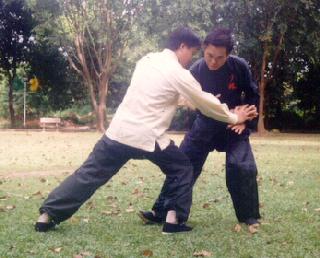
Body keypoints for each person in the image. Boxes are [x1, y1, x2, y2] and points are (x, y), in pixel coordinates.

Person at [35, 27, 258, 235]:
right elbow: (205, 101)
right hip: (149, 138)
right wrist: (235, 116)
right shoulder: (179, 73)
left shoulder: (146, 61)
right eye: (192, 52)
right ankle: (173, 220)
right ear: (181, 47)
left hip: (117, 134)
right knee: (183, 168)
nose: (192, 58)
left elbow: (158, 93)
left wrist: (188, 102)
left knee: (87, 174)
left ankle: (47, 215)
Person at [139, 28, 261, 228]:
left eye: (219, 58)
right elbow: (188, 100)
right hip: (204, 125)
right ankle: (162, 212)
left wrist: (244, 121)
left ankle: (249, 216)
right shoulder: (195, 70)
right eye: (209, 55)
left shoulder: (239, 67)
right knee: (183, 164)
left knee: (241, 165)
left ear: (228, 55)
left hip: (234, 125)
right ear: (204, 49)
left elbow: (252, 95)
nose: (213, 61)